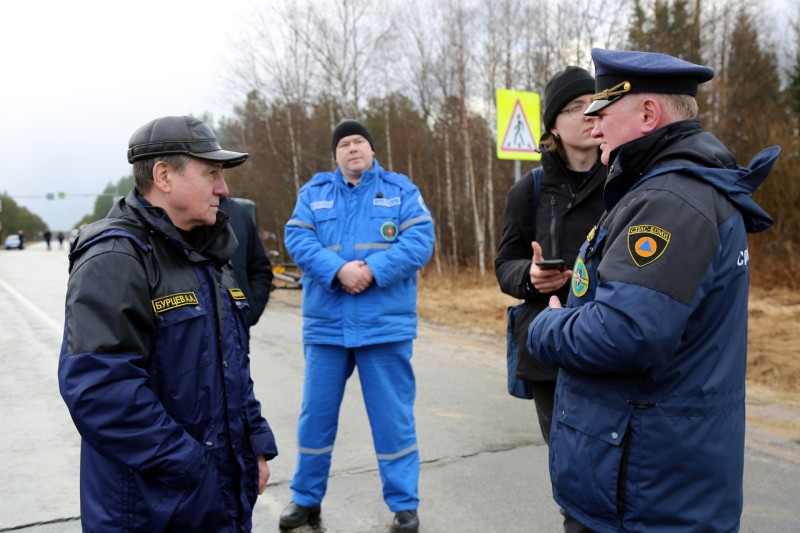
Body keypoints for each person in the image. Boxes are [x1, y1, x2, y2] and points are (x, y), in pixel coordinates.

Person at [527, 49, 778, 532]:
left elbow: (625, 333)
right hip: (646, 478)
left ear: (647, 114)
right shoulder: (662, 189)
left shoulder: (670, 201)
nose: (594, 126)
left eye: (602, 111)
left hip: (647, 494)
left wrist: (547, 326)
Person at [58, 115, 278, 531]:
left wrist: (255, 445)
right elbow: (100, 391)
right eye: (211, 173)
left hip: (217, 498)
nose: (223, 188)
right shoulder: (116, 258)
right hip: (151, 508)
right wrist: (193, 466)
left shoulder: (210, 254)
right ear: (164, 176)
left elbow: (233, 367)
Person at [280, 119, 434, 532]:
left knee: (393, 418)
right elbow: (297, 239)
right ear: (335, 154)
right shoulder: (313, 194)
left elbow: (419, 241)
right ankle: (305, 500)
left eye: (359, 142)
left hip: (383, 326)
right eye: (344, 144)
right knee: (315, 417)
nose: (352, 149)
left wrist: (372, 270)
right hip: (328, 326)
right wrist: (338, 270)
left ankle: (405, 505)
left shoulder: (401, 191)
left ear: (371, 150)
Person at [495, 66, 604, 533]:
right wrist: (531, 276)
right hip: (549, 350)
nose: (587, 114)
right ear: (553, 127)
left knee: (614, 470)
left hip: (610, 342)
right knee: (573, 476)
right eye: (573, 107)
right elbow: (506, 264)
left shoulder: (628, 180)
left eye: (593, 104)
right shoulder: (530, 190)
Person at [219, 195, 274, 327]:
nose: (223, 188)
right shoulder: (166, 214)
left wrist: (251, 310)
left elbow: (260, 270)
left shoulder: (239, 214)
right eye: (211, 173)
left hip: (236, 337)